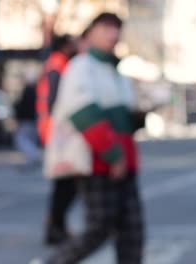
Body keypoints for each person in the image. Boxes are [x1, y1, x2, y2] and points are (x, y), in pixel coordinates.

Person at [46, 13, 144, 264]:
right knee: (99, 227)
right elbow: (84, 114)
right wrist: (113, 154)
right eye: (106, 28)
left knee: (132, 231)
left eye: (116, 29)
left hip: (122, 162)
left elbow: (125, 117)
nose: (113, 34)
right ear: (89, 33)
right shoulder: (82, 66)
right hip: (98, 162)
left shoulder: (115, 70)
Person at [36, 34, 78, 245]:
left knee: (66, 182)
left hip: (55, 130)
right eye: (72, 44)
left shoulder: (58, 64)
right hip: (56, 131)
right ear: (64, 46)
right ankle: (55, 227)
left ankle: (57, 225)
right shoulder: (58, 65)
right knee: (66, 181)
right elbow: (54, 100)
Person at [14, 83, 41, 167]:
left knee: (21, 140)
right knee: (30, 140)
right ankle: (31, 158)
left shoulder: (26, 94)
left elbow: (21, 108)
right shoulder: (36, 95)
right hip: (33, 121)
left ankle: (34, 155)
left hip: (26, 121)